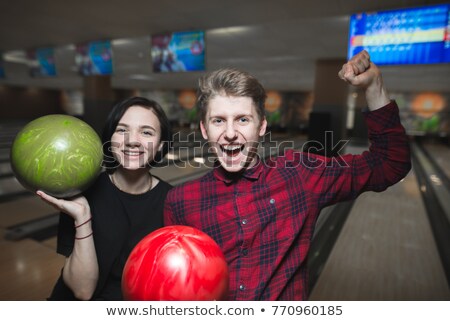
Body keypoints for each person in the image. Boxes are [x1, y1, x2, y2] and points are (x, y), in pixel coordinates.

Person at [164, 50, 412, 300]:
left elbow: (389, 163)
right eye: (218, 121)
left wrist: (374, 86)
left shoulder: (299, 174)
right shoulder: (181, 201)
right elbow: (176, 284)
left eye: (242, 119)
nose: (230, 133)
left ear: (261, 126)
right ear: (204, 130)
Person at [38, 96, 172, 300]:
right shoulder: (81, 192)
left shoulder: (172, 201)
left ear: (161, 145)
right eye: (122, 130)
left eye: (146, 132)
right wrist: (82, 217)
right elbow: (82, 291)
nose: (132, 141)